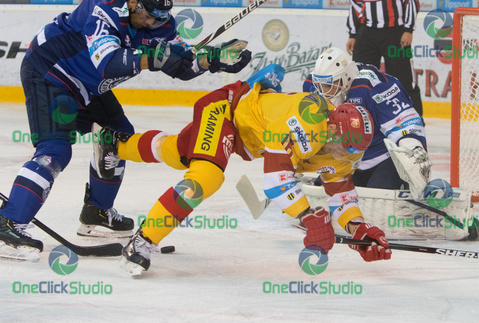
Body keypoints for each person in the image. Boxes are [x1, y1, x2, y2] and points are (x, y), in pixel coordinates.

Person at [0, 0, 252, 261]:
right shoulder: (102, 10)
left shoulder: (160, 21)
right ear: (133, 2)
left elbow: (181, 65)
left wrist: (213, 60)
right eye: (150, 17)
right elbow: (108, 64)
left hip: (89, 85)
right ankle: (9, 221)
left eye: (161, 18)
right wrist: (154, 57)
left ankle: (97, 212)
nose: (155, 24)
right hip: (51, 74)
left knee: (117, 136)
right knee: (55, 150)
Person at [92, 65, 392, 277]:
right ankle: (142, 240)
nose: (341, 155)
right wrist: (308, 216)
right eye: (340, 145)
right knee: (205, 178)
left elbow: (341, 195)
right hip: (227, 109)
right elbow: (276, 179)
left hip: (245, 135)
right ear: (328, 127)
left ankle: (114, 145)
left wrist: (359, 230)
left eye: (350, 152)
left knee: (176, 151)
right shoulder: (308, 118)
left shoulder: (344, 151)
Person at [305, 48, 479, 241]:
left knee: (380, 201)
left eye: (331, 85)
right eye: (322, 85)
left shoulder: (371, 86)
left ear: (347, 76)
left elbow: (405, 123)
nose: (324, 91)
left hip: (383, 159)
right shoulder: (312, 85)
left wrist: (413, 153)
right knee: (321, 193)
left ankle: (455, 217)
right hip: (347, 160)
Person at [346, 0, 423, 116]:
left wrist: (408, 29)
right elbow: (355, 5)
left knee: (404, 79)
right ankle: (361, 119)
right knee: (360, 78)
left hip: (395, 33)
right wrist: (353, 34)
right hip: (367, 34)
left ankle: (415, 119)